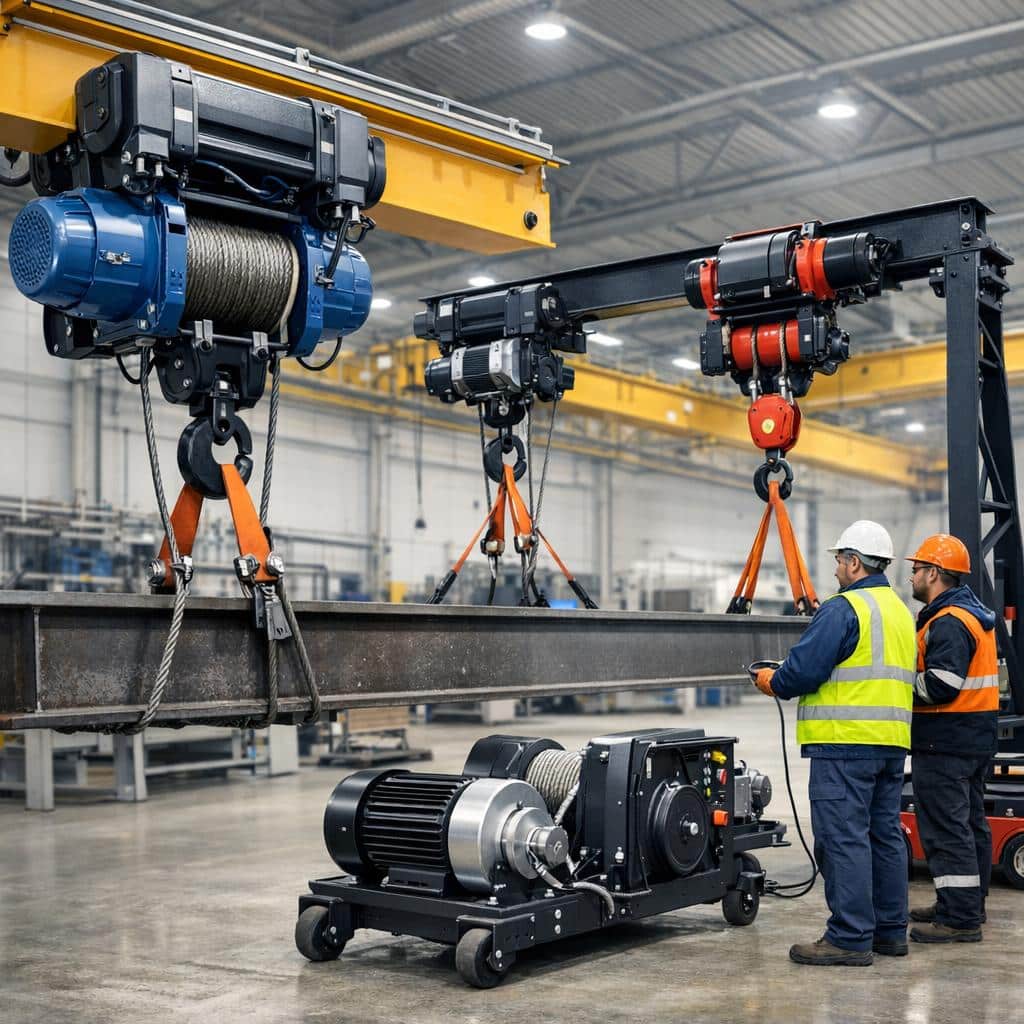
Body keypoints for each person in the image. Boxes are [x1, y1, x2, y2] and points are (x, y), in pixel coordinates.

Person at [751, 520, 916, 966]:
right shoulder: (900, 612)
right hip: (891, 744)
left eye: (841, 560)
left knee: (843, 839)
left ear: (855, 562)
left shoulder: (843, 609)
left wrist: (771, 680)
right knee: (884, 836)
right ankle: (889, 932)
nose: (837, 568)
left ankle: (850, 936)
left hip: (845, 744)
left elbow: (803, 672)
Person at [905, 533, 998, 944]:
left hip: (945, 740)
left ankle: (959, 918)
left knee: (947, 830)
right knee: (971, 824)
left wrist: (895, 686)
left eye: (916, 570)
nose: (912, 577)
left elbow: (942, 684)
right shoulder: (970, 614)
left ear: (934, 573)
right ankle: (966, 903)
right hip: (972, 737)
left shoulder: (948, 622)